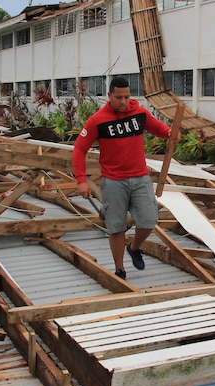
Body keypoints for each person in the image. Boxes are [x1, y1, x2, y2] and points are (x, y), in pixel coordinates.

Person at [72, 76, 179, 279]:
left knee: (149, 220)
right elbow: (79, 149)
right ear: (109, 96)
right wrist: (81, 179)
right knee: (116, 227)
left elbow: (156, 127)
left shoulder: (139, 113)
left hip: (140, 178)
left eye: (127, 97)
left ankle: (135, 247)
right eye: (118, 97)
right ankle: (120, 269)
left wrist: (170, 133)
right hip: (113, 182)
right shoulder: (97, 120)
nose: (123, 101)